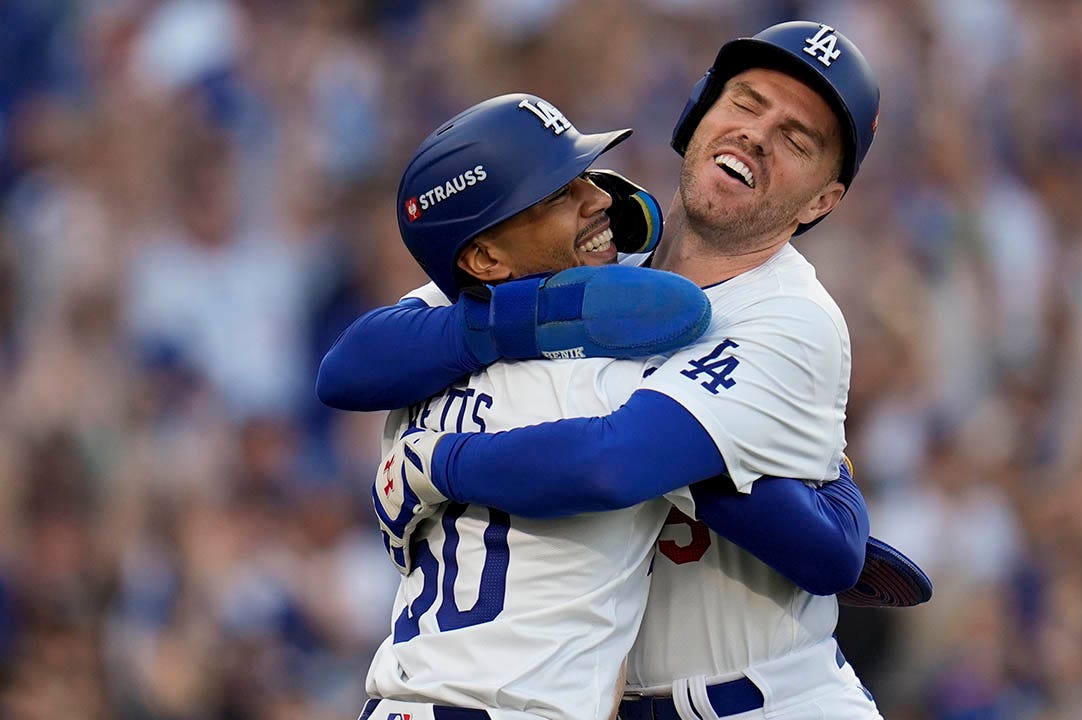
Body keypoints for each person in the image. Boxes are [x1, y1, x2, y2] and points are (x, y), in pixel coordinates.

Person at [338, 21, 915, 720]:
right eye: (747, 102)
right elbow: (357, 360)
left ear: (824, 199)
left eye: (799, 139)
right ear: (697, 111)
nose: (759, 134)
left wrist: (435, 461)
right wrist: (519, 321)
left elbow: (616, 462)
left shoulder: (792, 316)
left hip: (769, 702)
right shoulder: (595, 252)